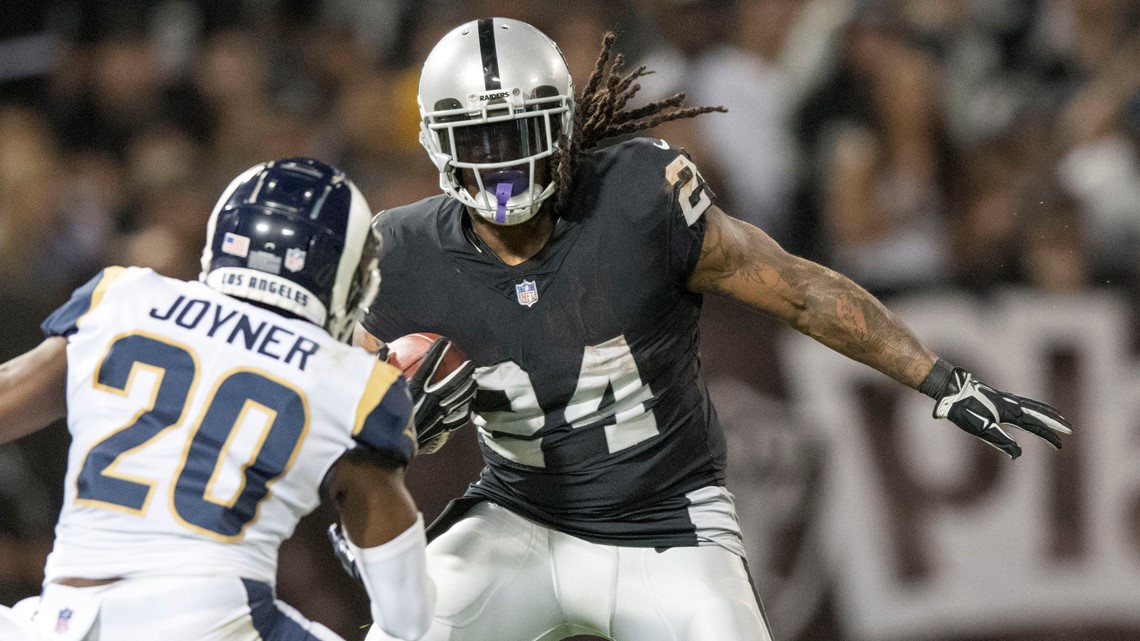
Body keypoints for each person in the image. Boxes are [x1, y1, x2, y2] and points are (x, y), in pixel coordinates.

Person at [354, 18, 1072, 641]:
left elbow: (796, 290)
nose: (504, 164)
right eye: (479, 140)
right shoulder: (401, 252)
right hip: (517, 515)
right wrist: (374, 419)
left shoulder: (639, 195)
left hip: (667, 524)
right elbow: (317, 381)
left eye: (520, 133)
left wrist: (939, 376)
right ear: (435, 143)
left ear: (564, 126)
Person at [0, 157, 449, 641]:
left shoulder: (121, 297)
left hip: (59, 618)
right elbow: (408, 618)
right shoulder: (354, 384)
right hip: (204, 621)